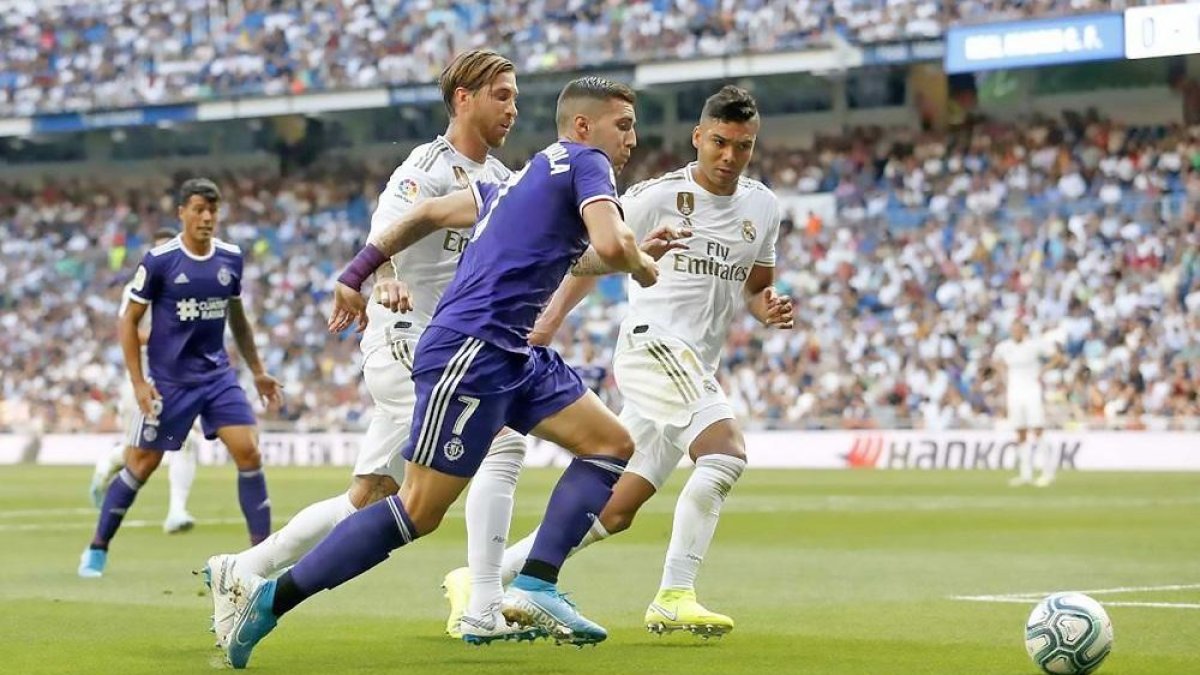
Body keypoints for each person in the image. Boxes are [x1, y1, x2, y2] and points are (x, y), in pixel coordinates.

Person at [221, 76, 670, 669]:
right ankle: (273, 597)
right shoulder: (587, 162)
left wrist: (356, 271)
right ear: (584, 126)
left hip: (511, 352)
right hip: (470, 349)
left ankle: (534, 583)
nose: (632, 138)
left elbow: (443, 215)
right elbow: (611, 248)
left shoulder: (523, 180)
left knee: (611, 444)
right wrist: (639, 264)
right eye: (624, 124)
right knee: (417, 510)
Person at [203, 49, 526, 649]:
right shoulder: (425, 167)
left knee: (372, 495)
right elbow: (388, 234)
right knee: (501, 438)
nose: (514, 107)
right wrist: (386, 276)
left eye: (514, 95)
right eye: (501, 95)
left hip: (451, 347)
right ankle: (483, 602)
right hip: (405, 341)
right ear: (464, 98)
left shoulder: (505, 183)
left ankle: (244, 569)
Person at [444, 85, 793, 638]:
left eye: (743, 147)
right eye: (720, 143)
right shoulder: (655, 195)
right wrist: (550, 319)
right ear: (698, 138)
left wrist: (766, 306)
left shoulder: (763, 207)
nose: (730, 157)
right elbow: (587, 256)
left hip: (693, 366)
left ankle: (483, 577)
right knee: (724, 454)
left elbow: (756, 286)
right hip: (653, 347)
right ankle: (675, 595)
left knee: (615, 510)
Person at [77, 178, 282, 578]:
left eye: (213, 210)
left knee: (249, 452)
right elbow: (128, 321)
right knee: (141, 464)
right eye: (199, 209)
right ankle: (97, 547)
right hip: (170, 383)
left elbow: (236, 316)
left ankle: (262, 559)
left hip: (217, 376)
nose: (207, 217)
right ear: (182, 213)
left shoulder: (230, 258)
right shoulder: (159, 261)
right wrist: (139, 382)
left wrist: (257, 370)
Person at [89, 228, 201, 535]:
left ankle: (177, 511)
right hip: (144, 378)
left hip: (178, 379)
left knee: (184, 442)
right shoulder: (138, 289)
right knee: (143, 449)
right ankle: (107, 464)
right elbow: (128, 331)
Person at [994, 321, 1064, 487]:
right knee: (1020, 433)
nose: (1015, 333)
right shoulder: (1004, 347)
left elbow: (1057, 357)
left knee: (1037, 430)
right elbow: (996, 361)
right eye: (1013, 330)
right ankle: (1026, 474)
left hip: (1031, 390)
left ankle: (1048, 472)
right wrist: (1003, 374)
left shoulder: (1034, 345)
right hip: (1014, 392)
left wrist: (1042, 371)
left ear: (1024, 331)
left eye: (1018, 330)